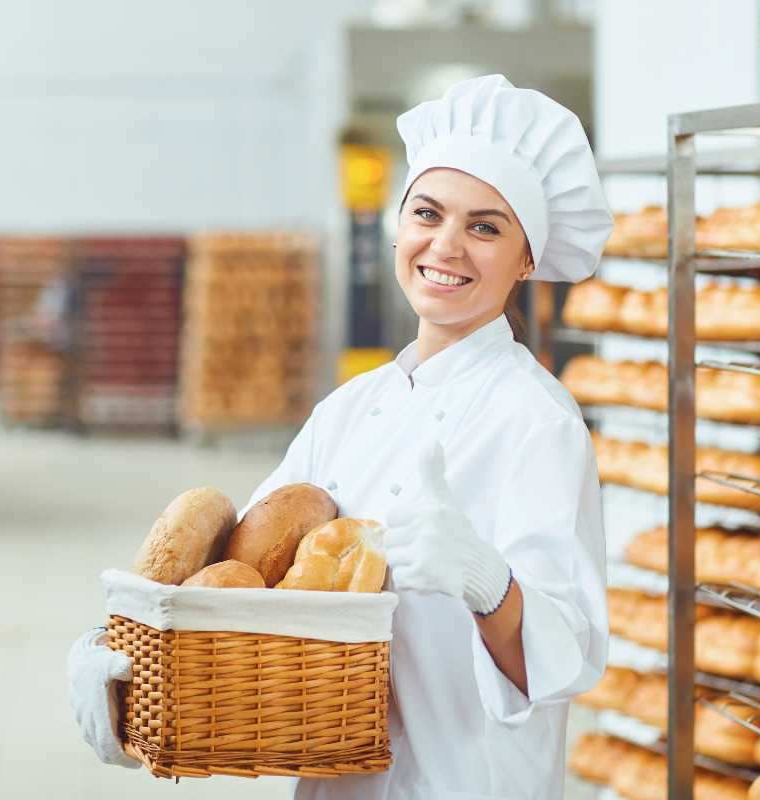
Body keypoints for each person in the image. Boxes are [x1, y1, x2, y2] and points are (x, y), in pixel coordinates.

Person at [68, 74, 614, 799]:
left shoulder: (538, 420)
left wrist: (487, 582)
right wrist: (125, 649)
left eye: (485, 227)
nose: (446, 245)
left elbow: (567, 656)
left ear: (527, 260)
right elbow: (241, 582)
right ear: (399, 225)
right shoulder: (350, 409)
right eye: (427, 213)